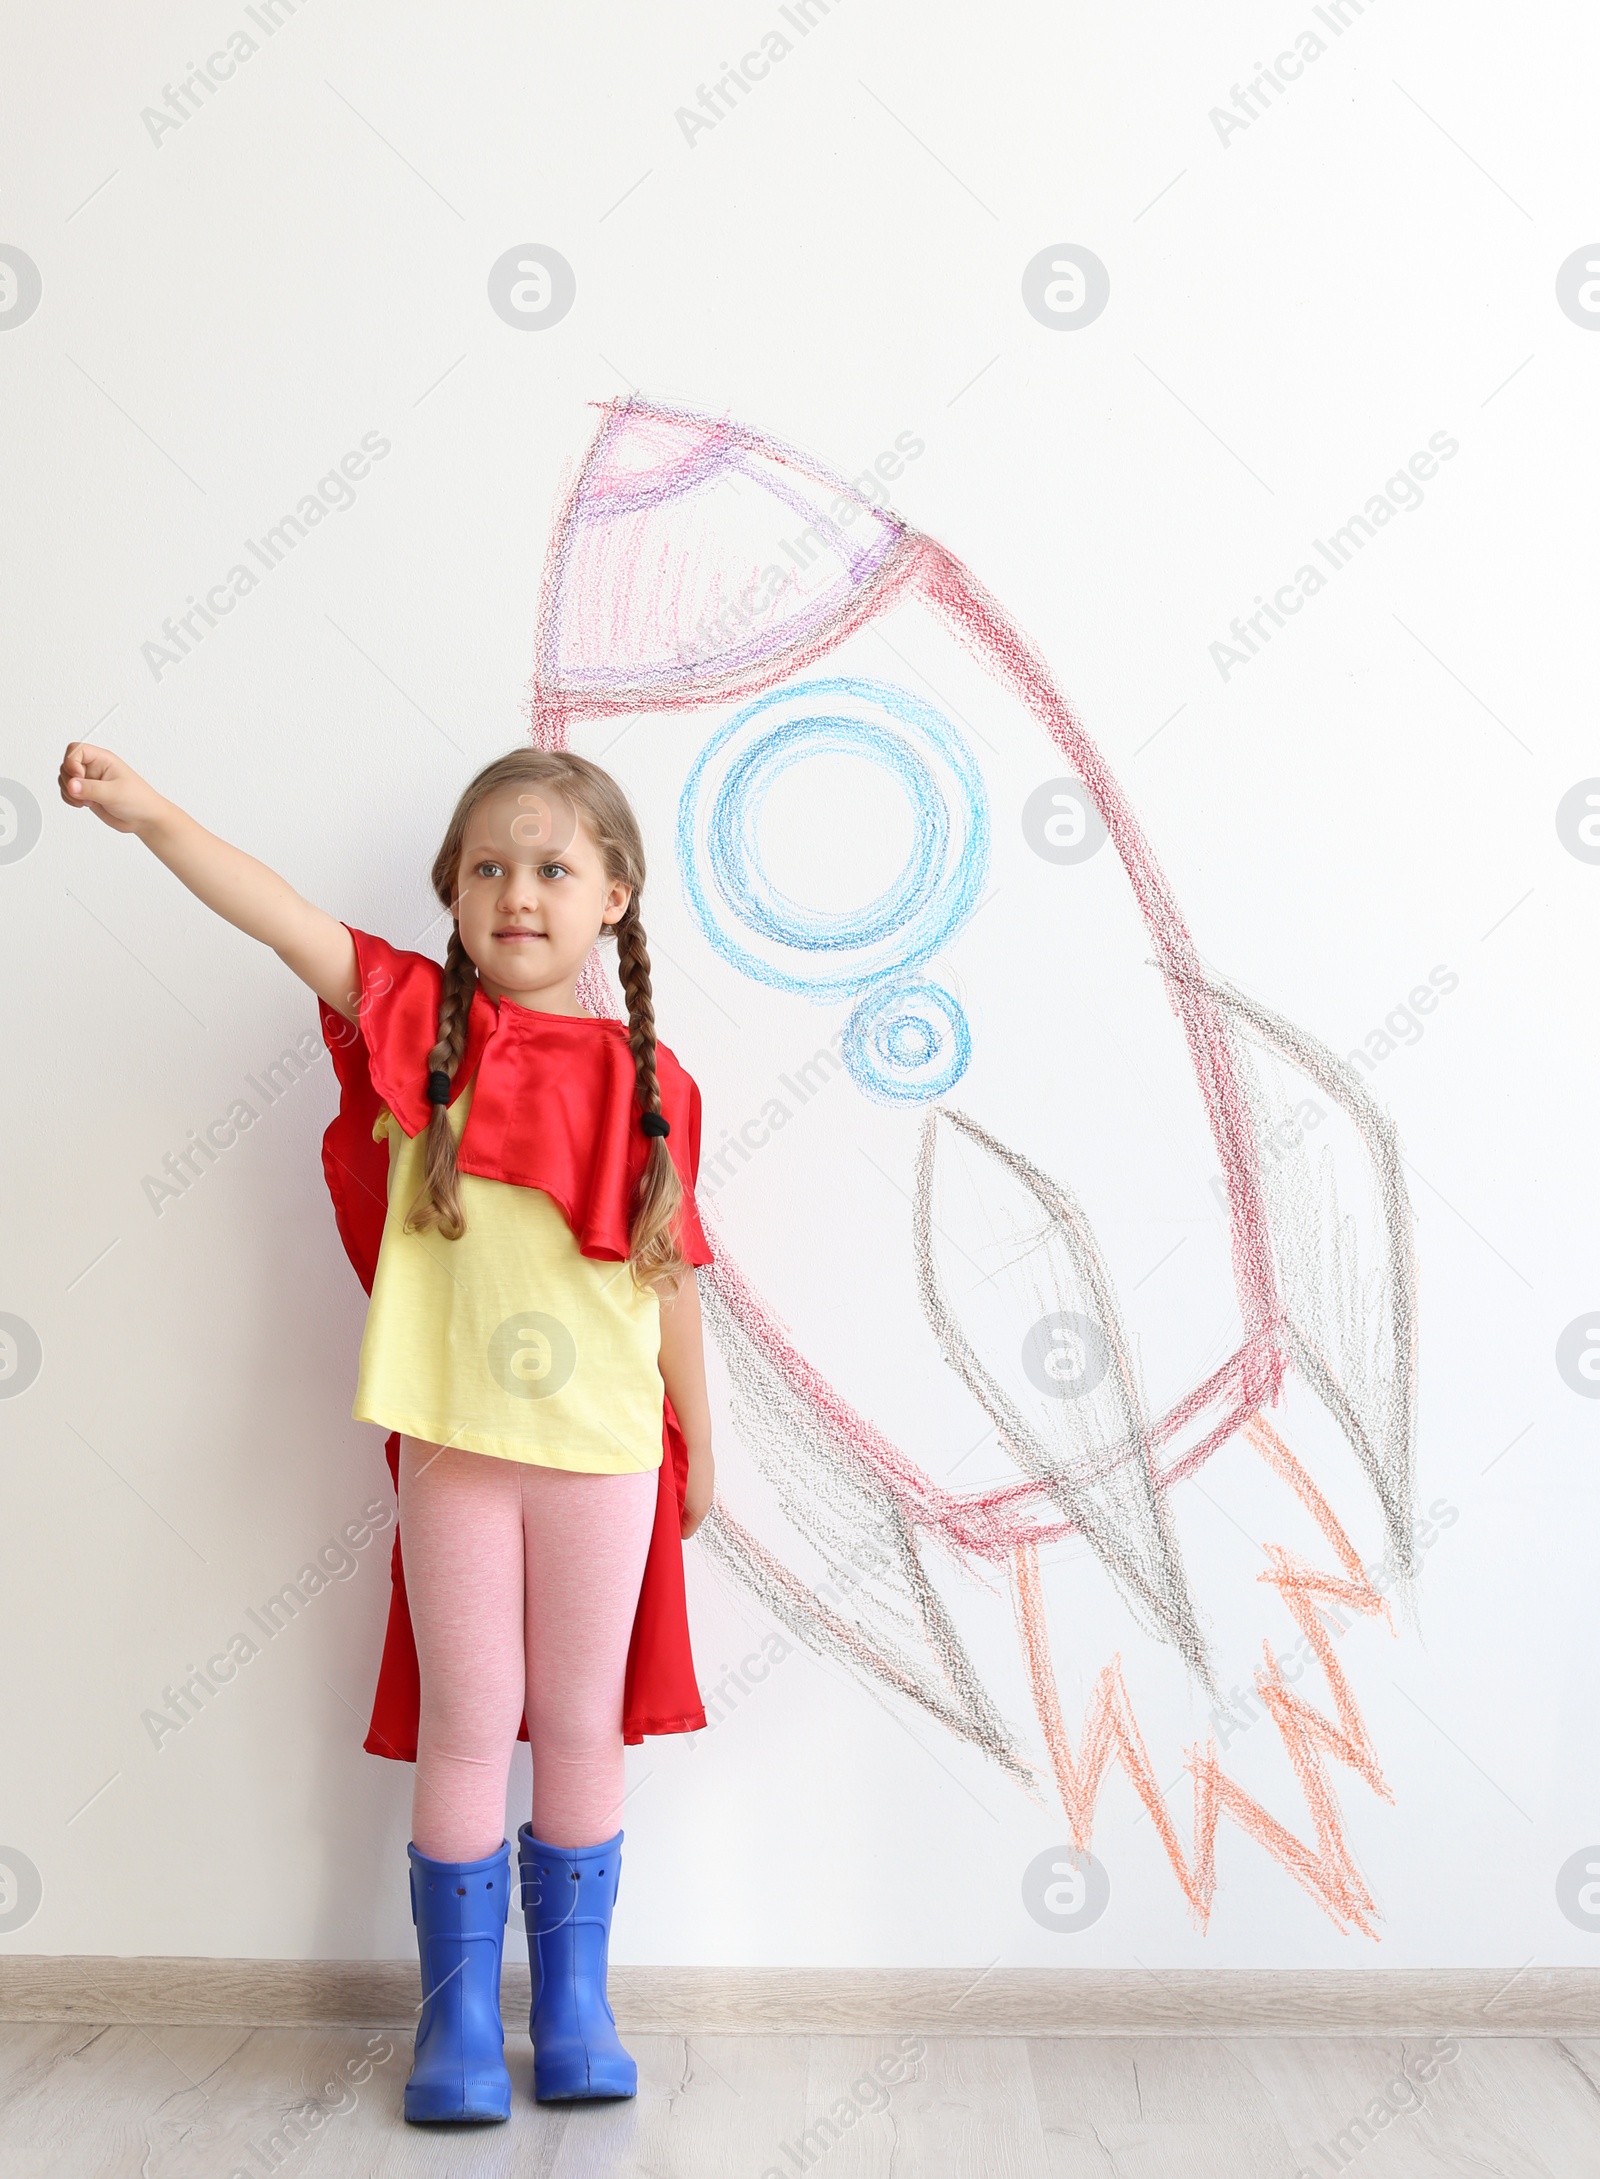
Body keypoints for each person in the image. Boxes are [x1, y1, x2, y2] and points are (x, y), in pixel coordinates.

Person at [58, 739, 717, 2120]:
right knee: (472, 1723)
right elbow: (278, 911)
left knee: (581, 1722)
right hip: (455, 1451)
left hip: (608, 1457)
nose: (518, 890)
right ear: (452, 896)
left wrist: (697, 1444)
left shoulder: (658, 1085)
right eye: (488, 867)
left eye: (552, 867)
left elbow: (669, 1285)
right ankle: (457, 2018)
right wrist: (152, 814)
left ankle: (577, 2003)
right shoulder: (418, 1020)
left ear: (615, 897)